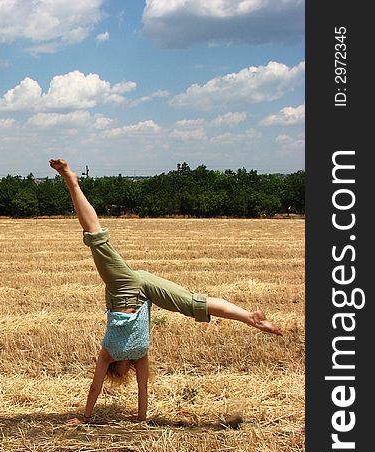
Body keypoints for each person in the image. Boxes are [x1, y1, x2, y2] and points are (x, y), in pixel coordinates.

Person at [49, 159, 282, 425]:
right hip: (145, 289)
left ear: (116, 369)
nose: (125, 374)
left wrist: (86, 417)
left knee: (96, 237)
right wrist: (140, 419)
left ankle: (71, 181)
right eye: (126, 374)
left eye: (120, 374)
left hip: (123, 285)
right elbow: (143, 390)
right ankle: (252, 319)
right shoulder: (140, 355)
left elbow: (94, 387)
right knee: (192, 304)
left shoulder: (107, 355)